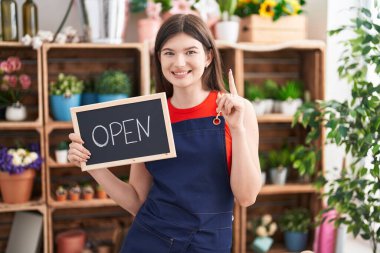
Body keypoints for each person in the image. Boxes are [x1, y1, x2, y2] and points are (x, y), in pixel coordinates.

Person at [68, 14, 261, 253]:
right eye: (169, 53)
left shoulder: (238, 110)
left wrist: (238, 130)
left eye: (190, 52)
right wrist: (93, 165)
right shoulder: (148, 115)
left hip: (208, 245)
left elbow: (246, 197)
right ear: (158, 58)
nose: (179, 63)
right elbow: (137, 201)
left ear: (209, 56)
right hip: (149, 241)